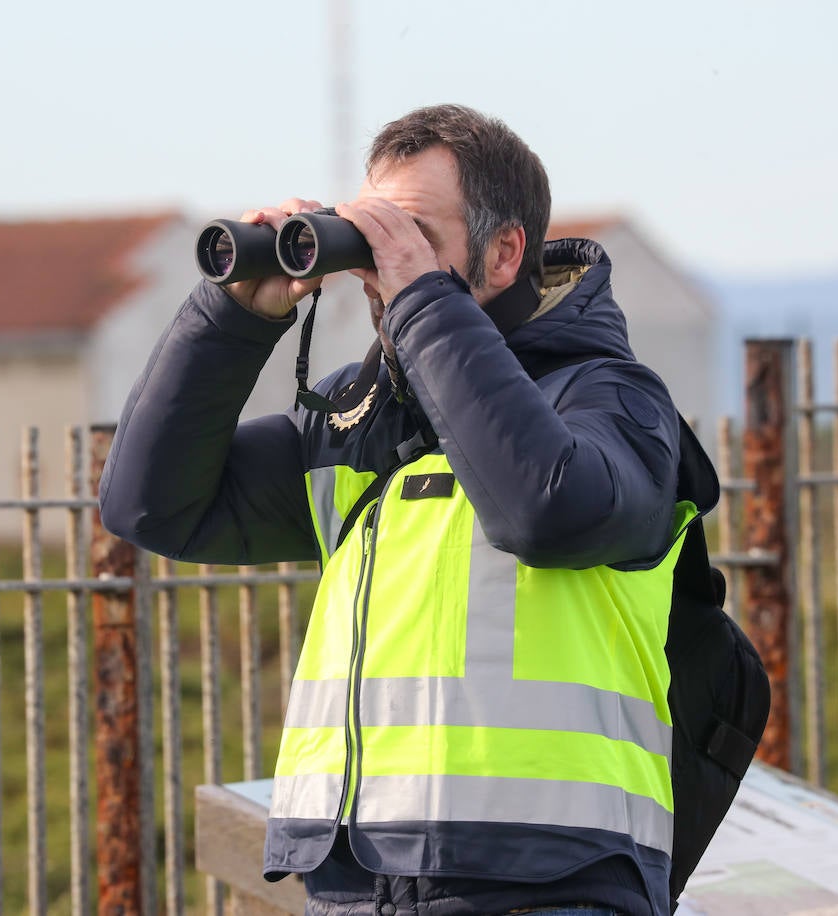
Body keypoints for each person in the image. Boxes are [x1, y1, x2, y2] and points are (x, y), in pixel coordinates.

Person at [100, 104, 709, 916]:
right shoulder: (360, 428)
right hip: (355, 883)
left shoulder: (611, 401)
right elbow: (150, 506)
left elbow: (545, 509)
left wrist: (424, 302)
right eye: (370, 232)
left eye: (412, 233)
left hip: (547, 882)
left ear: (503, 252)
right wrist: (233, 316)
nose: (381, 261)